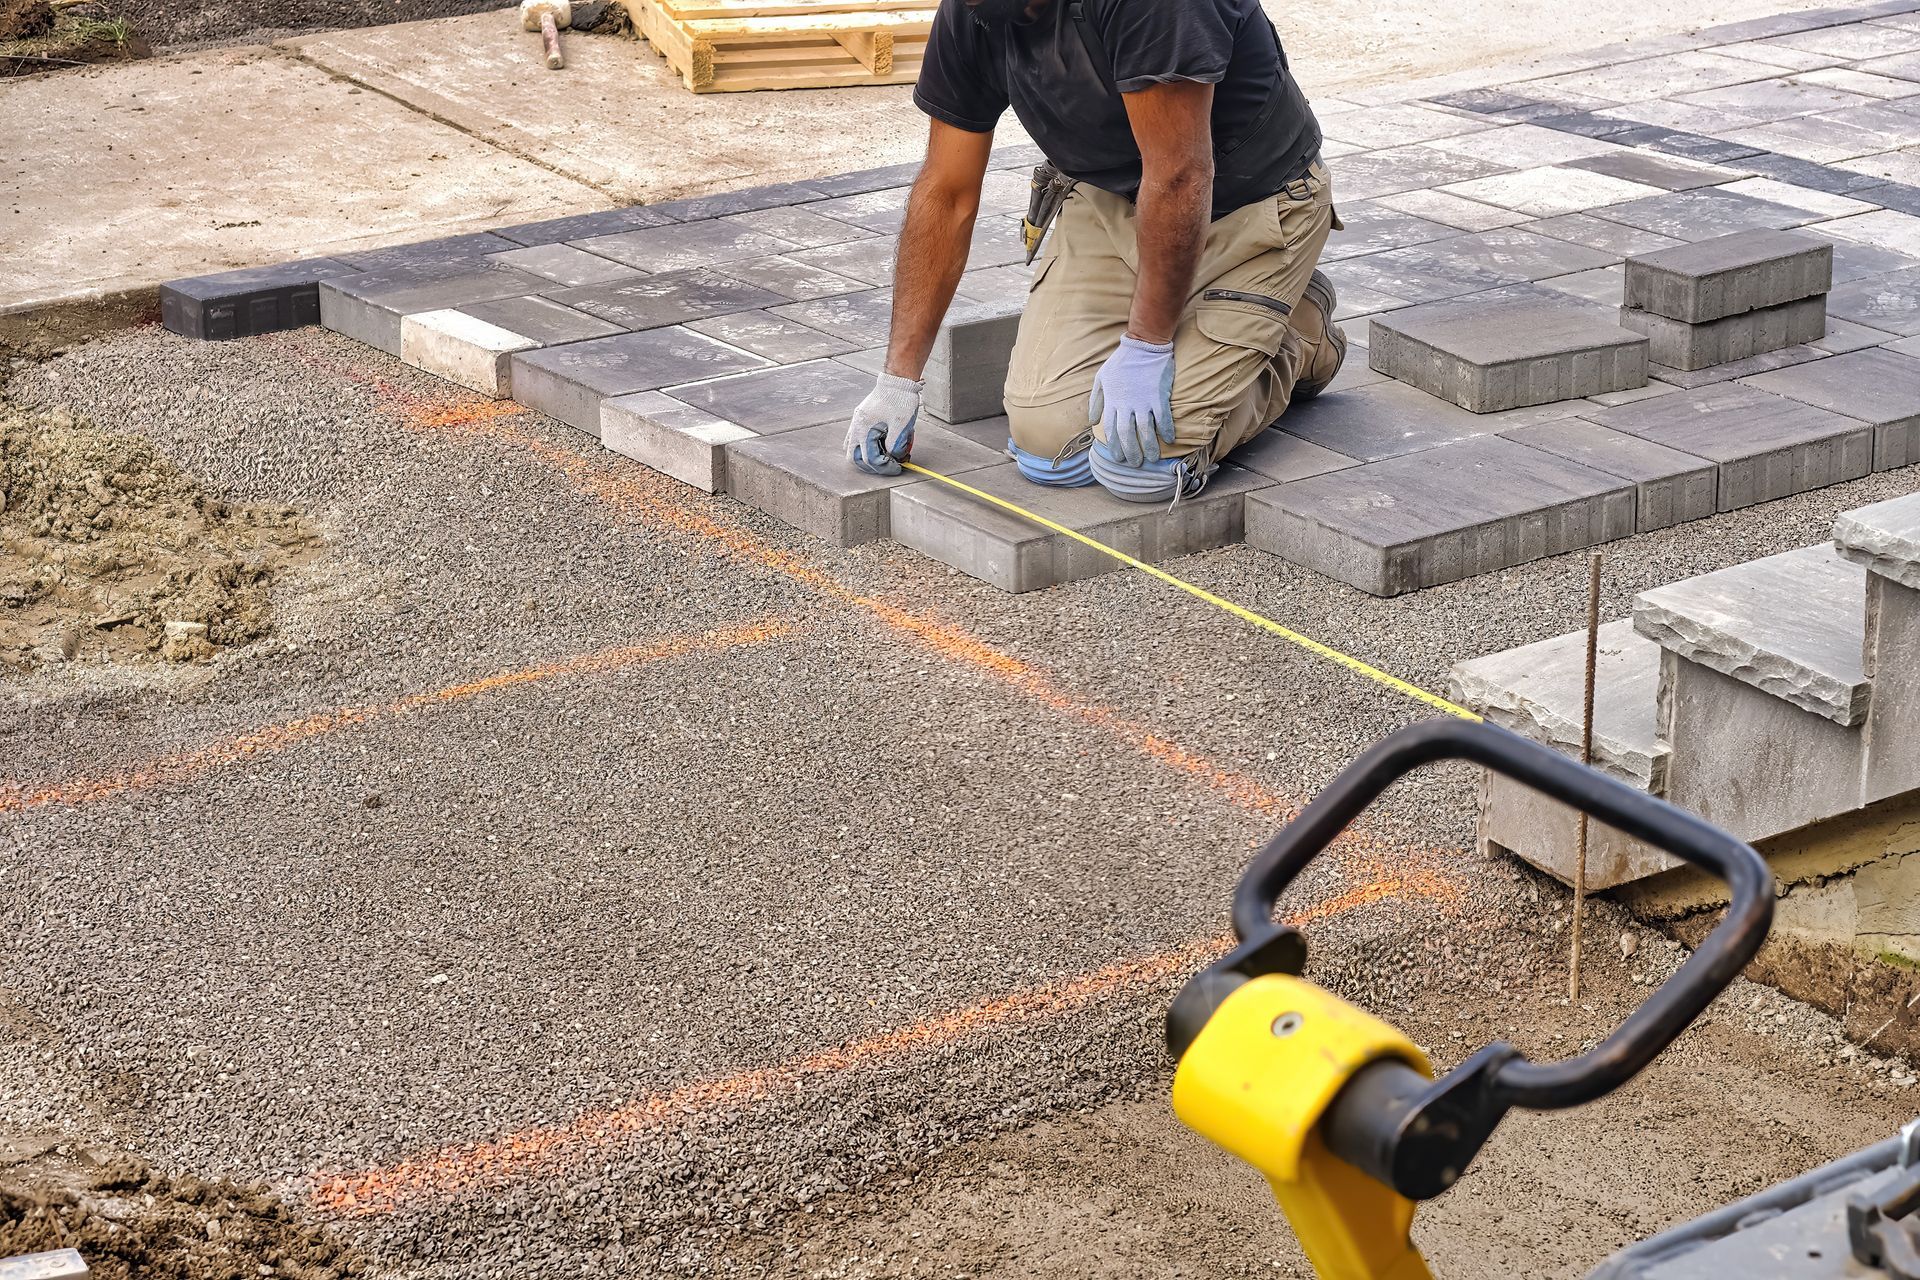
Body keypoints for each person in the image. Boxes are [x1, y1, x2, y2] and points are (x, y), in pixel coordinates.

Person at [843, 0, 1345, 504]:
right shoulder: (975, 10)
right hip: (1112, 202)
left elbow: (1179, 177)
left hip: (1251, 205)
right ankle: (1222, 320)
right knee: (1051, 455)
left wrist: (1146, 347)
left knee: (1143, 468)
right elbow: (946, 193)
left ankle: (1300, 334)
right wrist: (898, 379)